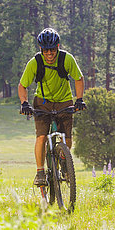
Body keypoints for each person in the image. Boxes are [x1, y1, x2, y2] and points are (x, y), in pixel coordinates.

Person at [18, 28, 86, 186]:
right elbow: (22, 85)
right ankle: (40, 172)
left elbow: (79, 78)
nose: (49, 54)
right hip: (43, 102)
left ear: (58, 47)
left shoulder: (66, 59)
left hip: (64, 101)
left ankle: (64, 162)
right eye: (45, 50)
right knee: (41, 137)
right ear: (40, 49)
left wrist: (79, 99)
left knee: (67, 138)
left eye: (53, 49)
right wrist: (24, 103)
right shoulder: (35, 62)